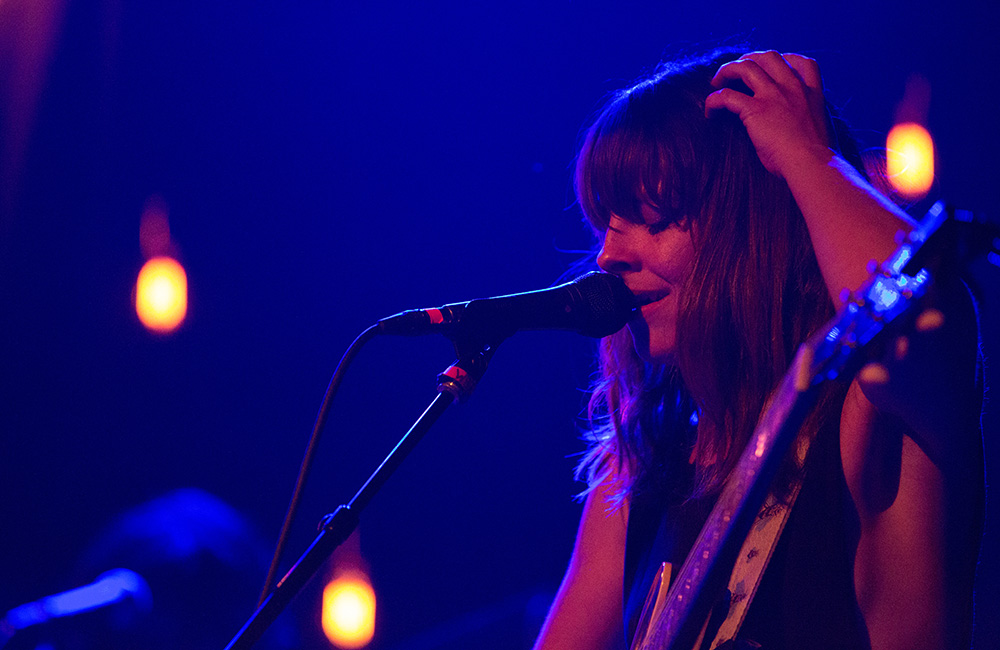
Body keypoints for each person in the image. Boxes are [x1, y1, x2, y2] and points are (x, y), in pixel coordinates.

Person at [532, 49, 984, 650]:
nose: (608, 256)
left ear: (752, 228)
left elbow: (914, 312)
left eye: (655, 218)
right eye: (606, 223)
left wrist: (807, 158)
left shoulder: (865, 412)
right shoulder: (640, 466)